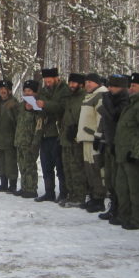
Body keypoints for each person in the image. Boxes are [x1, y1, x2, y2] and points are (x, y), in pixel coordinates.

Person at [113, 72, 139, 229]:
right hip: (123, 153)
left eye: (134, 85)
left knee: (137, 189)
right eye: (130, 85)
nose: (131, 88)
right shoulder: (132, 102)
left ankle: (138, 219)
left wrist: (136, 151)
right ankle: (125, 215)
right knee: (122, 187)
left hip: (134, 155)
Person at [98, 74, 131, 221]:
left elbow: (114, 115)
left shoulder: (125, 100)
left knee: (119, 181)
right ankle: (113, 207)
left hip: (120, 144)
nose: (110, 89)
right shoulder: (110, 99)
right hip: (109, 142)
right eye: (110, 86)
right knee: (110, 178)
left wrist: (106, 103)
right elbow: (105, 122)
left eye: (114, 86)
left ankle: (121, 210)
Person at [35, 67, 69, 202]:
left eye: (49, 81)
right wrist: (36, 107)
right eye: (46, 81)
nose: (47, 83)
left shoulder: (64, 90)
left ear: (56, 78)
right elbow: (42, 109)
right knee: (46, 165)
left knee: (60, 166)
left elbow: (62, 107)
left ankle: (63, 193)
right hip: (45, 132)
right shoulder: (43, 91)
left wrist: (45, 104)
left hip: (58, 133)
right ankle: (49, 192)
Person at [77, 73, 108, 212]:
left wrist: (98, 136)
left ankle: (99, 199)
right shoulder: (89, 96)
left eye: (91, 82)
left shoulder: (100, 96)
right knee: (89, 170)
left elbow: (101, 119)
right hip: (86, 138)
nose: (88, 84)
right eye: (86, 82)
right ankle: (93, 196)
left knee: (96, 169)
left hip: (93, 138)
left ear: (98, 83)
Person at [60, 73, 88, 207]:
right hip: (66, 137)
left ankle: (79, 195)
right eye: (70, 83)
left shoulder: (84, 97)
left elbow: (85, 117)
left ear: (81, 84)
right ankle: (71, 194)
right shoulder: (69, 98)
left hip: (77, 138)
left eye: (74, 83)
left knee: (76, 168)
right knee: (67, 168)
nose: (71, 85)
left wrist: (77, 129)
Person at [13, 79, 42, 199]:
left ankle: (31, 189)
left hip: (30, 142)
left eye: (29, 91)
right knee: (22, 165)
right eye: (25, 91)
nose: (26, 93)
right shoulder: (21, 106)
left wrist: (35, 142)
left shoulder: (37, 106)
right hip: (20, 141)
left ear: (35, 92)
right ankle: (24, 186)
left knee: (30, 165)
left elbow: (39, 126)